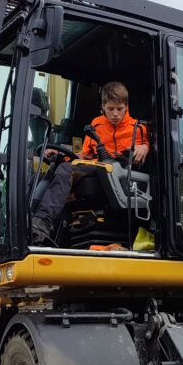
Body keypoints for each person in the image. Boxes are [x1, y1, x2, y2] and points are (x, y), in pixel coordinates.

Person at [30, 81, 148, 244]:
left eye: (119, 109)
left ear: (126, 106)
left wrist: (144, 147)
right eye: (110, 109)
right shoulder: (96, 124)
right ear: (103, 106)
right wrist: (61, 154)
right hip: (97, 166)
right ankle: (41, 222)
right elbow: (84, 154)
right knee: (61, 170)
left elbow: (148, 148)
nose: (115, 114)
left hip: (120, 172)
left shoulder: (138, 128)